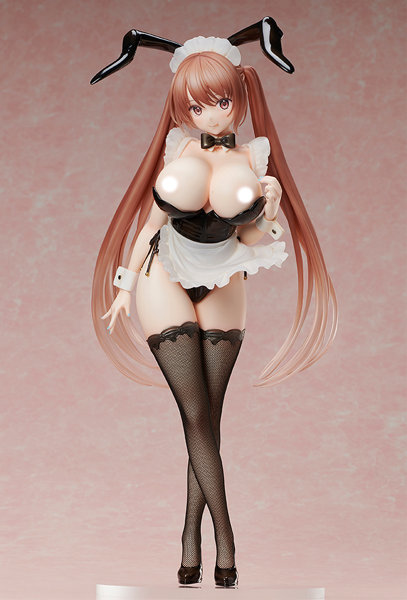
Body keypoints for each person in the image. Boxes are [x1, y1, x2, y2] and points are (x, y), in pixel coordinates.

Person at [90, 18, 338, 588]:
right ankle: (226, 541)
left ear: (240, 97)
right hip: (163, 276)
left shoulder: (253, 157)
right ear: (183, 110)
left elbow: (256, 238)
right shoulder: (178, 148)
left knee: (207, 418)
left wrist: (269, 206)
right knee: (196, 415)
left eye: (220, 102)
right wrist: (123, 287)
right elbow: (149, 223)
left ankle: (189, 539)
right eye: (196, 106)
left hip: (225, 279)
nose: (210, 115)